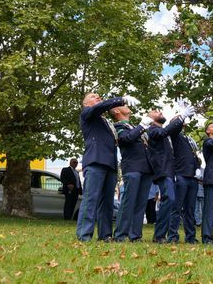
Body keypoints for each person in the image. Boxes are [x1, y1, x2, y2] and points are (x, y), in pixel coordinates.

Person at [76, 93, 139, 242]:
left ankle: (105, 235)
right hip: (95, 161)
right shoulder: (87, 113)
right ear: (86, 104)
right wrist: (121, 100)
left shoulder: (105, 121)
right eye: (93, 96)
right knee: (90, 200)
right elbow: (100, 107)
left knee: (107, 203)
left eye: (98, 96)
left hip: (110, 164)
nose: (97, 96)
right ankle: (84, 235)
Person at [148, 106, 193, 243]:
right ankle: (159, 235)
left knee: (169, 200)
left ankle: (160, 235)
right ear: (149, 119)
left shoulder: (163, 132)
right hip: (163, 170)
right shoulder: (152, 130)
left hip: (170, 171)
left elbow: (172, 130)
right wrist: (180, 116)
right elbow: (167, 131)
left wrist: (182, 116)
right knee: (169, 199)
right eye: (155, 111)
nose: (160, 111)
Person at [109, 105, 154, 242]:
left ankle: (135, 235)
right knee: (128, 202)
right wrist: (141, 126)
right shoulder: (118, 127)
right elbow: (126, 139)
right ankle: (120, 235)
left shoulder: (133, 126)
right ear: (117, 111)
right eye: (123, 105)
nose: (127, 106)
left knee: (141, 204)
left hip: (146, 168)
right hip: (133, 167)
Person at [169, 119, 202, 244]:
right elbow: (174, 128)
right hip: (181, 174)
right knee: (176, 208)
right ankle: (172, 236)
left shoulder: (188, 139)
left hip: (192, 177)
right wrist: (180, 118)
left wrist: (198, 168)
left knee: (190, 209)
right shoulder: (175, 136)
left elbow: (194, 157)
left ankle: (190, 237)